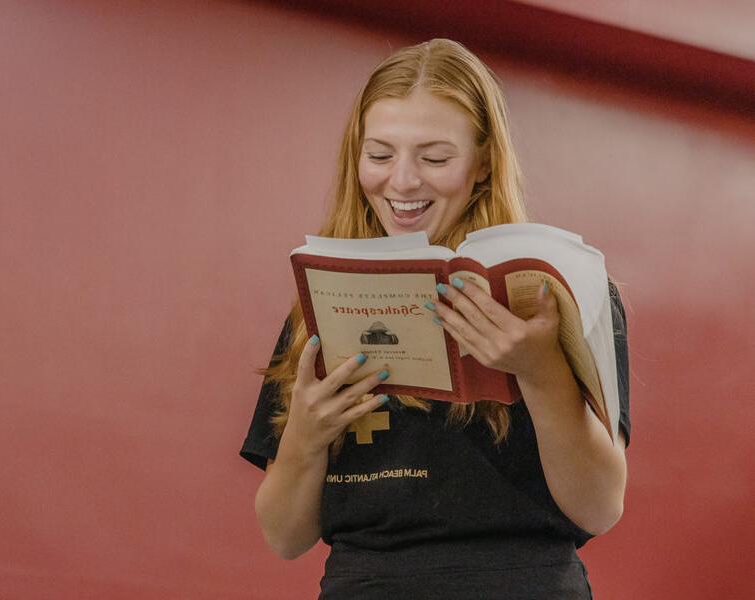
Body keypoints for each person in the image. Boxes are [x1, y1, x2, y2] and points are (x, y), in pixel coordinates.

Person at [240, 38, 630, 599]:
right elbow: (284, 537)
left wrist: (540, 371)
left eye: (435, 158)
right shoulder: (321, 304)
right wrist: (306, 433)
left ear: (482, 164)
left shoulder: (553, 295)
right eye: (379, 155)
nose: (401, 182)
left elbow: (599, 508)